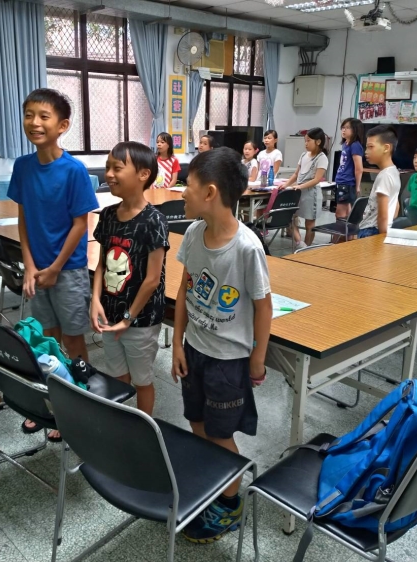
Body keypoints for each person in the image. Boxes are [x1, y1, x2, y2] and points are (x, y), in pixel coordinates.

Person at [172, 147, 272, 543]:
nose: (183, 191)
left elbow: (263, 307)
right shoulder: (193, 234)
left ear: (210, 192)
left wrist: (257, 359)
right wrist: (177, 344)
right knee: (196, 420)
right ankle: (212, 481)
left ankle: (229, 504)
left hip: (227, 362)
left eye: (188, 184)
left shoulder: (247, 247)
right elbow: (184, 290)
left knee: (219, 433)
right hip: (194, 350)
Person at [8, 88, 99, 441]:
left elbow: (80, 224)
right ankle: (52, 403)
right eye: (29, 115)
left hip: (68, 270)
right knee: (46, 341)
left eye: (44, 116)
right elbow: (23, 219)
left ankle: (77, 405)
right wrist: (30, 266)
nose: (34, 122)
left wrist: (56, 267)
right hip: (38, 268)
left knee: (73, 340)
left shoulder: (73, 170)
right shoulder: (23, 166)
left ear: (62, 126)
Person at [90, 141, 169, 415]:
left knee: (142, 380)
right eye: (107, 167)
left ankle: (143, 428)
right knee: (117, 375)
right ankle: (121, 423)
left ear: (143, 174)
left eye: (117, 168)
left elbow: (152, 279)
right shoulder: (108, 215)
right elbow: (102, 264)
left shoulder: (154, 220)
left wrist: (127, 318)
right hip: (110, 314)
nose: (109, 174)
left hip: (140, 320)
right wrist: (95, 300)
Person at [281, 127, 328, 248]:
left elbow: (316, 179)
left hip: (311, 194)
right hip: (299, 192)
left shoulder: (322, 158)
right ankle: (300, 243)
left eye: (308, 141)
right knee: (290, 217)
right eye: (305, 141)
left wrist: (299, 186)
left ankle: (307, 247)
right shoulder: (303, 155)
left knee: (309, 224)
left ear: (318, 142)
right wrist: (286, 184)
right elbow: (296, 174)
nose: (306, 144)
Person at [357, 125, 401, 239]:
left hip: (372, 231)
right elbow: (396, 207)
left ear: (386, 148)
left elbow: (382, 216)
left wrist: (382, 238)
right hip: (380, 229)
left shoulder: (384, 176)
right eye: (366, 147)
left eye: (371, 147)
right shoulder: (394, 171)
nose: (366, 152)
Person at [335, 118, 364, 220]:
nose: (344, 130)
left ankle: (340, 230)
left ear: (355, 130)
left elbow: (359, 168)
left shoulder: (355, 145)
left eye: (347, 128)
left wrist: (357, 186)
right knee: (347, 212)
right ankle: (347, 230)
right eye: (343, 127)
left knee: (340, 214)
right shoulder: (345, 144)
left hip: (347, 183)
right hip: (341, 181)